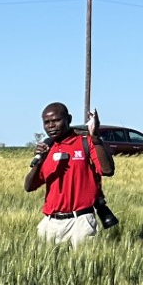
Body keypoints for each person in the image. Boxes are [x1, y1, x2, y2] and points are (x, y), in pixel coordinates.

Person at [25, 102, 113, 245]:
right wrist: (39, 161)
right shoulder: (47, 148)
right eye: (46, 122)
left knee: (83, 265)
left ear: (69, 119)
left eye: (56, 120)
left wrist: (96, 138)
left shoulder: (86, 142)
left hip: (80, 221)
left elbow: (107, 170)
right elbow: (28, 186)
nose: (51, 125)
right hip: (50, 223)